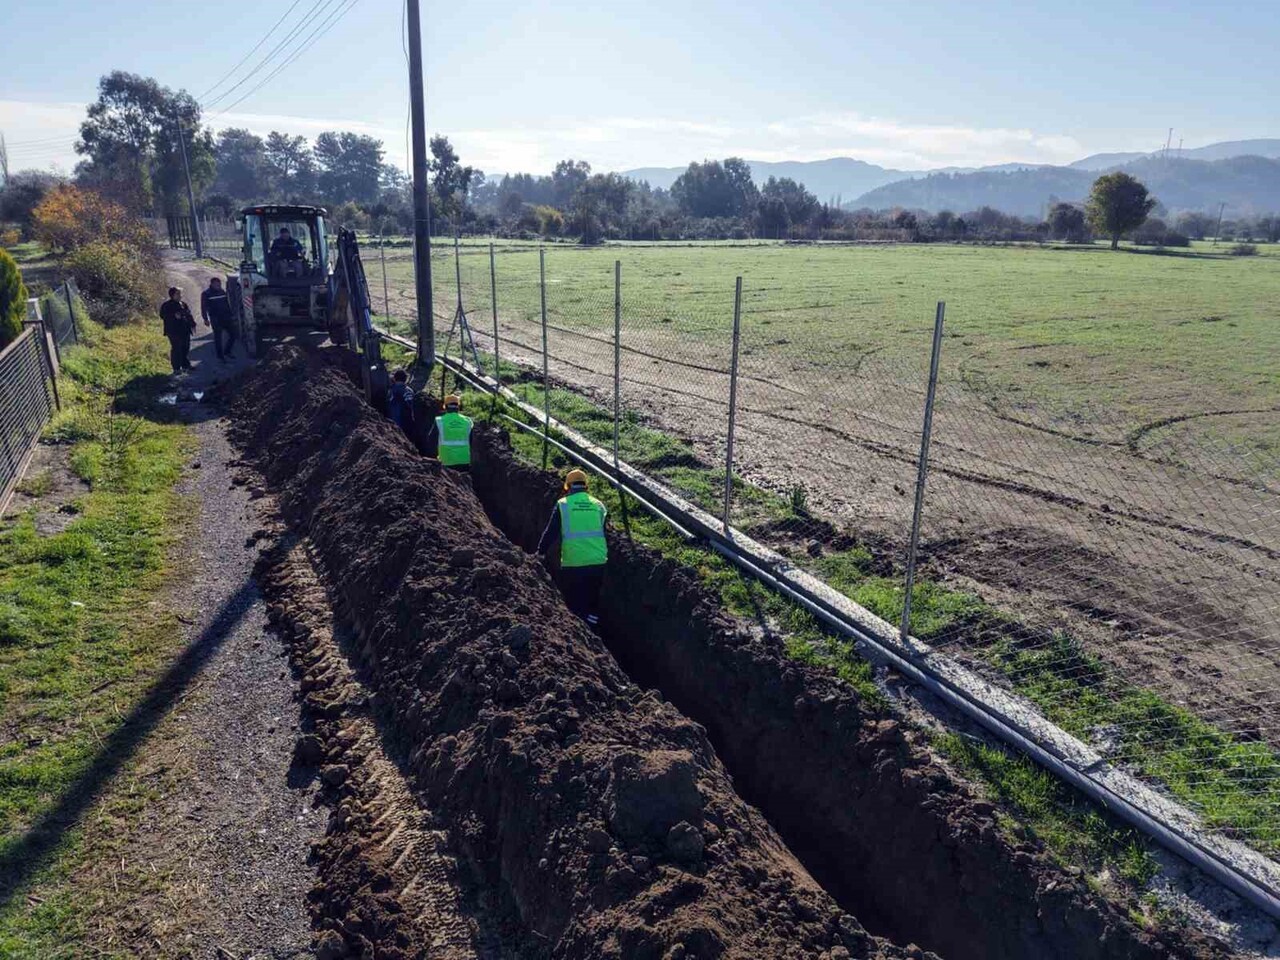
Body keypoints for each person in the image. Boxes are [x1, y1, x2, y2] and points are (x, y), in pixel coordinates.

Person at [537, 468, 608, 628]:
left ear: (568, 487)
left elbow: (551, 532)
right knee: (592, 601)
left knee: (575, 602)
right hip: (598, 561)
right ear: (586, 486)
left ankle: (579, 633)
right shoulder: (599, 505)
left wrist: (540, 553)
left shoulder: (563, 505)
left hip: (574, 562)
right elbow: (602, 531)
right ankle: (593, 634)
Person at [426, 394, 473, 468]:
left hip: (446, 462)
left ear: (446, 407)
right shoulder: (468, 421)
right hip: (464, 461)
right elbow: (472, 441)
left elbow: (431, 440)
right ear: (458, 407)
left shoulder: (439, 421)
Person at [159, 287, 196, 373]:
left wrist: (193, 324)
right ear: (172, 295)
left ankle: (185, 365)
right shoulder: (166, 305)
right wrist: (173, 316)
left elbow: (188, 315)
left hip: (185, 330)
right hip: (173, 331)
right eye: (178, 294)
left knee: (186, 347)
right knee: (176, 349)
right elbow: (162, 316)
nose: (180, 296)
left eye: (180, 294)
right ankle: (176, 368)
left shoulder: (183, 304)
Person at [200, 276, 236, 362]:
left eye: (219, 284)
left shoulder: (222, 291)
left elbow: (226, 304)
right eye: (216, 284)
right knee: (218, 338)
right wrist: (205, 319)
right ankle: (220, 357)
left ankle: (227, 351)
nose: (218, 285)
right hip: (215, 319)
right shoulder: (206, 294)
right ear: (212, 284)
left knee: (233, 335)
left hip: (226, 317)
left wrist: (231, 315)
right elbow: (203, 307)